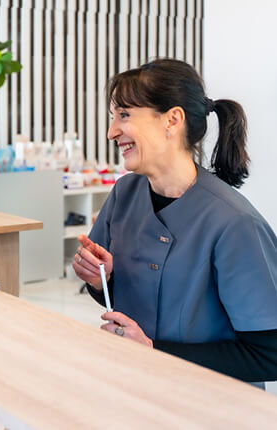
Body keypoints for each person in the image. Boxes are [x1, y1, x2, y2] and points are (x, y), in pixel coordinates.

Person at [73, 58, 277, 386]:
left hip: (212, 407)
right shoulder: (125, 194)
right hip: (137, 387)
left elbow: (269, 355)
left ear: (172, 120)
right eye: (113, 117)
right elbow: (119, 299)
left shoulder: (234, 223)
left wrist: (154, 350)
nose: (112, 132)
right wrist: (102, 280)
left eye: (124, 115)